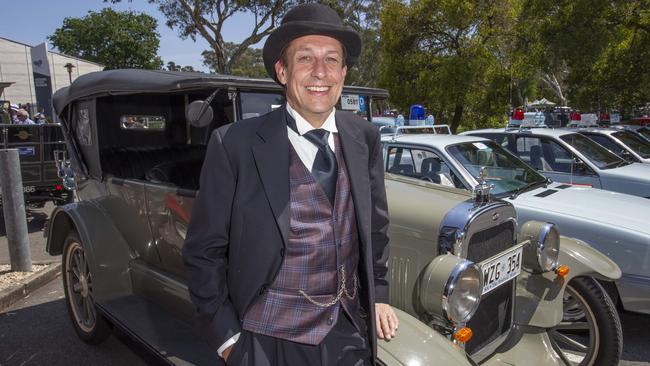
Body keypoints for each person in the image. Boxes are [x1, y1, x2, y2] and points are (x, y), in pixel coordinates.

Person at [182, 3, 397, 366]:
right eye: (305, 59)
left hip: (349, 333)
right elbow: (203, 252)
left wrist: (378, 295)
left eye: (332, 60)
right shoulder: (234, 144)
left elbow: (375, 227)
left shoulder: (365, 137)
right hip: (267, 341)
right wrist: (228, 340)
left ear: (343, 73)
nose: (320, 72)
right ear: (282, 71)